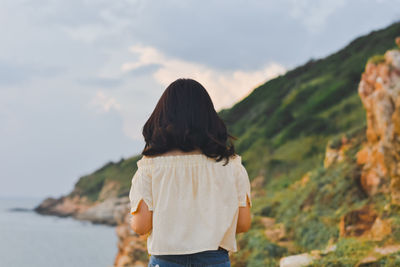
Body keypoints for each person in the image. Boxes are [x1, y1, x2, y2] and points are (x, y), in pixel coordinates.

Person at [129, 78, 252, 267]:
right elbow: (243, 224)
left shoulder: (150, 167)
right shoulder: (232, 166)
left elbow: (141, 226)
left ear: (161, 117)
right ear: (209, 118)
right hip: (215, 260)